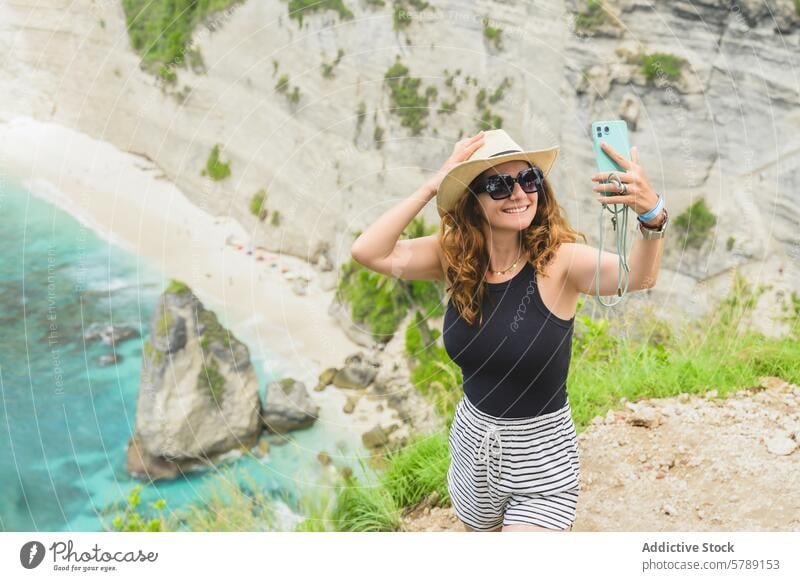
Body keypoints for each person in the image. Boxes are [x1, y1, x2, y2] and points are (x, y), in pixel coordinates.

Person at [350, 129, 668, 532]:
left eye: (528, 179)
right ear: (472, 199)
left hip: (542, 456)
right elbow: (368, 251)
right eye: (498, 185)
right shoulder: (456, 258)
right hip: (472, 448)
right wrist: (436, 184)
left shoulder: (561, 262)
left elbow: (638, 277)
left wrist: (652, 215)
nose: (519, 193)